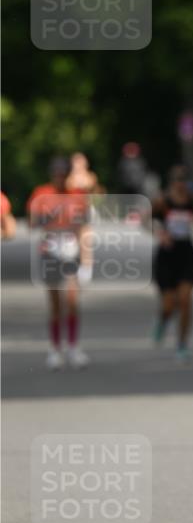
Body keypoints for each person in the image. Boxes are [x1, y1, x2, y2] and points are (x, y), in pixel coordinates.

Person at [27, 157, 93, 370]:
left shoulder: (78, 197)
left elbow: (84, 228)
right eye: (56, 172)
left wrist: (86, 261)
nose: (60, 176)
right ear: (51, 174)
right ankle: (55, 348)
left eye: (63, 172)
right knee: (55, 303)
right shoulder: (41, 193)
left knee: (72, 301)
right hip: (50, 250)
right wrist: (46, 217)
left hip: (71, 249)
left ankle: (73, 347)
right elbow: (32, 222)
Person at [151, 165, 193, 360]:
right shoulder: (162, 201)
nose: (180, 184)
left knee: (185, 301)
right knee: (169, 304)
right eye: (177, 180)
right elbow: (146, 220)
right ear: (171, 182)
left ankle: (182, 344)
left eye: (183, 180)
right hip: (166, 255)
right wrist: (161, 233)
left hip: (187, 253)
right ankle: (163, 321)